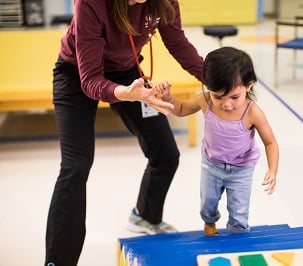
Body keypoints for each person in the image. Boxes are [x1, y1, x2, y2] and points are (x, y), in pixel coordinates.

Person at [45, 0, 203, 265]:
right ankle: (57, 261)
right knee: (76, 166)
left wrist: (218, 79)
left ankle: (145, 215)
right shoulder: (91, 3)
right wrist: (126, 93)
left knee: (165, 153)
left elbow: (177, 43)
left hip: (127, 72)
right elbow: (91, 80)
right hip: (76, 73)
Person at [157, 47, 279, 236]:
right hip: (211, 164)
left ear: (249, 86)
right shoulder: (205, 100)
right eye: (218, 96)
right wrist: (169, 97)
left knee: (239, 211)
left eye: (234, 97)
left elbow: (270, 142)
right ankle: (209, 222)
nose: (226, 104)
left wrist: (272, 170)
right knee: (207, 203)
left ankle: (237, 238)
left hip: (241, 169)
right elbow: (180, 109)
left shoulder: (253, 112)